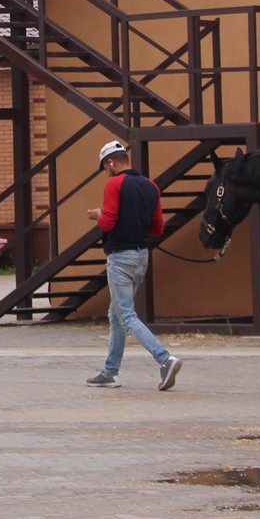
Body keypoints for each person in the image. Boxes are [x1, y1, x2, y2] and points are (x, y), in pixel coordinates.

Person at [85, 139, 184, 391]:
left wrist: (98, 215)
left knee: (127, 315)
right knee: (116, 314)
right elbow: (158, 227)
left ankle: (165, 359)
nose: (106, 171)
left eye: (105, 166)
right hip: (142, 256)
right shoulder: (151, 186)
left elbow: (108, 223)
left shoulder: (114, 184)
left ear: (111, 162)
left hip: (120, 256)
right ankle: (110, 371)